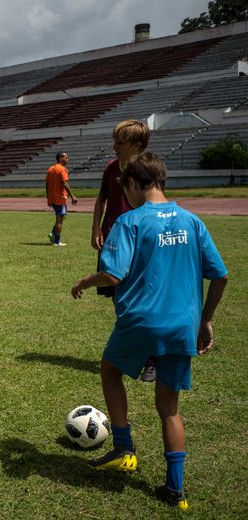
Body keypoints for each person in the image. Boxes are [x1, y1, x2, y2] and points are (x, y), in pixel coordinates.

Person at [71, 152, 228, 512]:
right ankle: (176, 490)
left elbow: (113, 275)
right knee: (169, 408)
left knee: (110, 370)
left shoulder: (129, 221)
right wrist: (205, 320)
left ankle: (124, 448)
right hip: (181, 327)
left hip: (141, 321)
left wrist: (84, 280)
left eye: (125, 186)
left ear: (135, 184)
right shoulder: (192, 221)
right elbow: (220, 275)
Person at [91, 120, 155, 380]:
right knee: (120, 300)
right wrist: (96, 229)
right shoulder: (109, 168)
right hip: (113, 242)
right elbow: (101, 199)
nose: (114, 146)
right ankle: (133, 354)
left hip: (138, 241)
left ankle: (152, 358)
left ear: (136, 146)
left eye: (120, 142)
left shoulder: (146, 170)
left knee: (140, 301)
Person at [45, 152, 77, 245]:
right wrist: (72, 196)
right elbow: (65, 183)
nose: (68, 159)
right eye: (66, 158)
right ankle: (57, 242)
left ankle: (53, 234)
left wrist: (48, 196)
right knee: (60, 219)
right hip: (60, 198)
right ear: (60, 159)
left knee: (61, 217)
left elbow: (47, 184)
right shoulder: (62, 169)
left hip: (53, 198)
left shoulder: (50, 169)